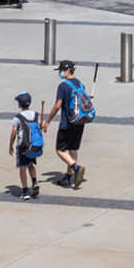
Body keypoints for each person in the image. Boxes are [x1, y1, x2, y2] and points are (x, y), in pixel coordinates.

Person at [46, 60, 94, 189]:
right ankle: (69, 176)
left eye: (61, 70)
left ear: (67, 70)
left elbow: (57, 105)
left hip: (67, 123)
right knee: (73, 149)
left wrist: (47, 121)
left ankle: (76, 168)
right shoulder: (80, 83)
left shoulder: (63, 86)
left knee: (60, 150)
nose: (60, 73)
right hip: (80, 120)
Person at [8, 91, 43, 199]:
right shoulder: (36, 115)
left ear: (19, 104)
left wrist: (10, 145)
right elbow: (40, 126)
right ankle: (34, 182)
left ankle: (25, 191)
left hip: (23, 147)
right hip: (34, 146)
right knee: (31, 165)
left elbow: (14, 132)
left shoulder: (17, 118)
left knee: (23, 168)